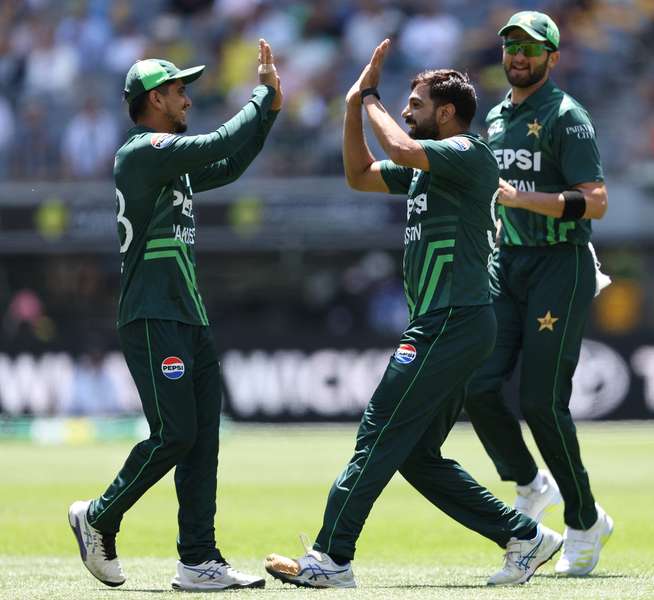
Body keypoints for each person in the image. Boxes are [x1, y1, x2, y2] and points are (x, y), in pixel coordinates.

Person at [264, 39, 562, 589]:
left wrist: (371, 94)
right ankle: (524, 536)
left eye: (416, 103)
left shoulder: (468, 153)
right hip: (447, 323)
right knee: (417, 454)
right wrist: (353, 106)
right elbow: (359, 174)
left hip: (452, 320)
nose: (406, 110)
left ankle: (331, 558)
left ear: (446, 114)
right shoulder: (430, 169)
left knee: (377, 433)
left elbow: (398, 148)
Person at [67, 39, 283, 592]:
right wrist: (260, 95)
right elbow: (220, 140)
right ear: (154, 98)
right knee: (175, 434)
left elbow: (231, 163)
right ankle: (99, 516)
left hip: (189, 317)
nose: (188, 98)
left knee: (201, 441)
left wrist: (272, 112)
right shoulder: (142, 153)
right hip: (152, 315)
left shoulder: (172, 164)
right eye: (180, 91)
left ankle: (198, 560)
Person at [463, 11, 614, 577]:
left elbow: (595, 201)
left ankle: (584, 522)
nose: (518, 56)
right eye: (511, 47)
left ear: (553, 57)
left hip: (561, 264)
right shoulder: (497, 118)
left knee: (540, 402)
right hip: (508, 264)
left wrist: (527, 200)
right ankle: (530, 482)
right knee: (475, 384)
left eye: (531, 48)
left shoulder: (567, 116)